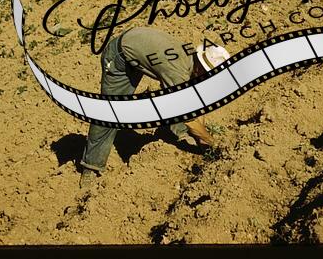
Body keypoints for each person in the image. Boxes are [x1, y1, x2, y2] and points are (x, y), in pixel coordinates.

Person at [79, 26, 231, 188]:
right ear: (201, 66)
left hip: (138, 45)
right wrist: (210, 142)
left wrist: (200, 137)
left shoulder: (190, 59)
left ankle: (181, 132)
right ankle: (91, 165)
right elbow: (190, 118)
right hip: (120, 56)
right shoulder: (177, 72)